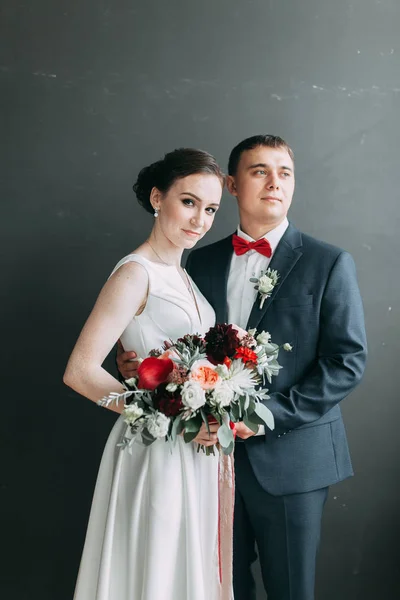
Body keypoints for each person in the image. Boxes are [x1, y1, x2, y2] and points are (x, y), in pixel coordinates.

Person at [117, 135, 367, 600]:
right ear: (232, 185)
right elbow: (181, 340)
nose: (274, 182)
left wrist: (267, 416)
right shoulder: (202, 260)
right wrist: (143, 363)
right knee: (219, 587)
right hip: (206, 459)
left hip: (295, 461)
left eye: (284, 173)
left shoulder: (329, 262)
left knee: (291, 590)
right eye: (259, 171)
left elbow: (347, 362)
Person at [63, 147, 228, 600]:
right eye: (189, 201)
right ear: (158, 198)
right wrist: (169, 417)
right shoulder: (136, 274)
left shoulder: (183, 276)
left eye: (211, 208)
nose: (200, 219)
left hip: (192, 452)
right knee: (152, 570)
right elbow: (79, 372)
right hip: (155, 447)